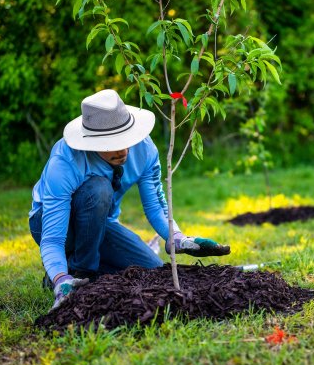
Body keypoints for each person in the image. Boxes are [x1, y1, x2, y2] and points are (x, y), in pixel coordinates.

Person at [28, 89, 230, 310]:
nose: (123, 149)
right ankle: (75, 273)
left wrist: (177, 238)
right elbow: (53, 238)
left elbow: (155, 205)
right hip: (51, 225)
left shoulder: (144, 149)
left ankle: (73, 268)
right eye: (111, 142)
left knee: (151, 269)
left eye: (126, 139)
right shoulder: (66, 161)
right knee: (99, 188)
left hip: (101, 225)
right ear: (92, 142)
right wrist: (60, 279)